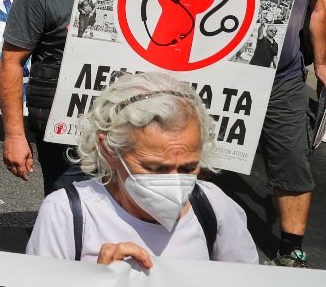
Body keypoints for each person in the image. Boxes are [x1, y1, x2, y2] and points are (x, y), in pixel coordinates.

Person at [26, 72, 258, 265]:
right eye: (155, 168)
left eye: (188, 167)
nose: (175, 182)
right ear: (109, 151)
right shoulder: (66, 214)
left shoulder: (214, 207)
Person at [254, 0, 326, 268]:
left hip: (283, 77)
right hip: (230, 75)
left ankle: (291, 248)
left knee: (292, 161)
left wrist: (321, 63)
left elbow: (317, 8)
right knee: (204, 153)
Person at [0, 0, 97, 194]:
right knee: (73, 219)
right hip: (68, 133)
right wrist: (15, 135)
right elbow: (11, 63)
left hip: (129, 132)